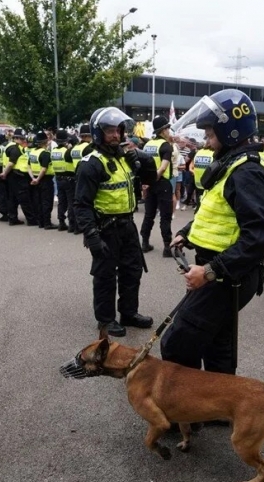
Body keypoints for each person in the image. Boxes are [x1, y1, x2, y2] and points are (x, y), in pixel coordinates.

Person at [162, 88, 264, 375]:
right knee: (217, 343)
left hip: (227, 276)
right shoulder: (235, 163)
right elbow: (217, 212)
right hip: (225, 270)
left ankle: (185, 416)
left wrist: (210, 271)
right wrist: (188, 232)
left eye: (212, 135)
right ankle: (220, 407)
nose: (208, 142)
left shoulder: (247, 172)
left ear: (232, 133)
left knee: (178, 343)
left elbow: (258, 237)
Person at [74, 107, 155, 337]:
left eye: (118, 130)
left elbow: (149, 180)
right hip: (104, 228)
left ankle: (128, 313)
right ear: (99, 132)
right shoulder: (91, 163)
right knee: (105, 276)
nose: (116, 135)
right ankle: (106, 320)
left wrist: (142, 159)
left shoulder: (124, 158)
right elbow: (81, 204)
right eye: (110, 131)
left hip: (127, 225)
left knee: (132, 271)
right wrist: (91, 236)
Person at [140, 116, 175, 257]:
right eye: (168, 128)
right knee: (165, 216)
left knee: (149, 214)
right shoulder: (166, 146)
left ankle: (145, 243)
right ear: (163, 130)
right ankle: (167, 247)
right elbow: (162, 168)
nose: (169, 131)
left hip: (149, 183)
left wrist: (146, 183)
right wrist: (154, 179)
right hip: (162, 183)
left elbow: (142, 166)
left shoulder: (147, 145)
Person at [0, 128, 37, 226]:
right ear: (15, 138)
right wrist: (4, 173)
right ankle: (31, 220)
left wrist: (5, 173)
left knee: (12, 198)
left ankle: (13, 218)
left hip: (13, 175)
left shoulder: (10, 146)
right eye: (21, 139)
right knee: (24, 199)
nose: (23, 141)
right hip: (18, 175)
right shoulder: (15, 148)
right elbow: (11, 163)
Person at [65, 125, 94, 233]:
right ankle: (81, 226)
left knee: (73, 202)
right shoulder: (89, 148)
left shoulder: (74, 148)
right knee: (84, 204)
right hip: (85, 178)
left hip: (74, 177)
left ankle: (72, 225)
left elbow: (67, 158)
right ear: (89, 136)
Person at [27, 131, 57, 229]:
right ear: (45, 141)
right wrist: (38, 179)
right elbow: (44, 169)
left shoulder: (32, 152)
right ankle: (47, 223)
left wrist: (33, 178)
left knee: (38, 201)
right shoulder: (45, 153)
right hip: (45, 180)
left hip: (35, 179)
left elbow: (28, 166)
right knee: (46, 202)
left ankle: (41, 222)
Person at [52, 129, 76, 232]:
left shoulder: (53, 151)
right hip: (69, 179)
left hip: (58, 179)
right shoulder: (67, 151)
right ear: (66, 141)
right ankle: (72, 224)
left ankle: (61, 222)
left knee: (62, 202)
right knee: (71, 202)